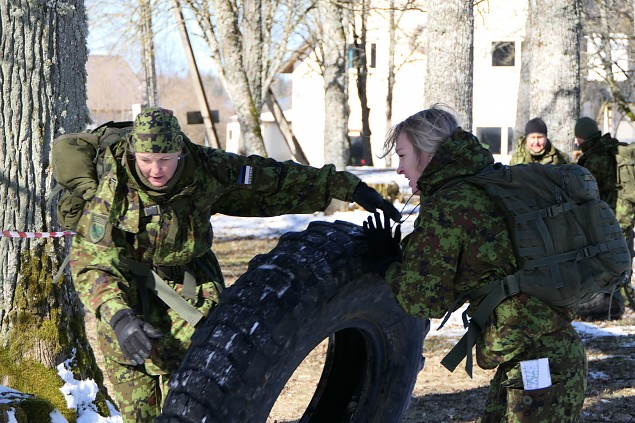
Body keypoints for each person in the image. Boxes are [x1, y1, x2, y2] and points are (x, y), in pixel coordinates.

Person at [69, 107, 401, 422]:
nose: (156, 170)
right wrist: (119, 317)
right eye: (146, 161)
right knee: (139, 413)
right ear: (132, 154)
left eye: (164, 160)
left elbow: (273, 179)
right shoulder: (113, 186)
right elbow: (91, 262)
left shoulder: (206, 168)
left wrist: (347, 187)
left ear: (180, 152)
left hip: (190, 298)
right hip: (127, 306)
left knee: (196, 404)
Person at [363, 105, 587, 422]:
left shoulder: (451, 202)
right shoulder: (480, 182)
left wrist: (385, 263)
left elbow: (424, 300)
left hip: (537, 361)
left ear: (426, 153)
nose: (399, 169)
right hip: (541, 351)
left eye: (402, 155)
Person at [574, 116, 635, 317]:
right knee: (623, 257)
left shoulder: (594, 158)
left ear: (582, 137)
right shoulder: (610, 148)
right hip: (625, 213)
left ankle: (614, 303)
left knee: (611, 261)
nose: (576, 142)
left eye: (578, 137)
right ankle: (622, 299)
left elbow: (588, 193)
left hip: (611, 218)